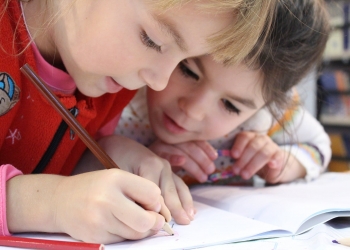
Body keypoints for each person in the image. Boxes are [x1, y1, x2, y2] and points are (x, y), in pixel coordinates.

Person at [0, 0, 277, 244]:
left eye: (184, 59)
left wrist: (104, 156)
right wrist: (53, 204)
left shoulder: (111, 83)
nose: (159, 82)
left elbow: (48, 164)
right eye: (152, 41)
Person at [114, 0, 331, 185]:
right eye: (188, 71)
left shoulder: (266, 118)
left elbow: (319, 145)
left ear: (268, 105)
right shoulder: (120, 88)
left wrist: (284, 162)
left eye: (230, 106)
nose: (193, 110)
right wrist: (131, 160)